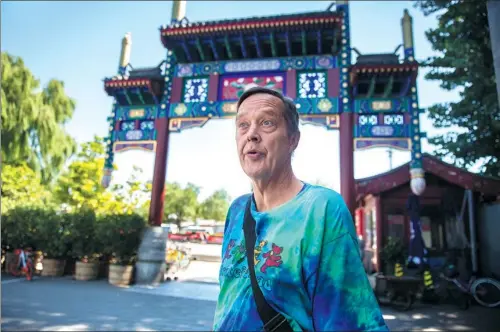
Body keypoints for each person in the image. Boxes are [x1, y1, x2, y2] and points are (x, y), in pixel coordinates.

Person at [213, 86, 388, 331]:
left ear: (293, 139)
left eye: (266, 123)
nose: (251, 134)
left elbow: (350, 321)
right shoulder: (237, 210)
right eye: (243, 125)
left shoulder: (322, 210)